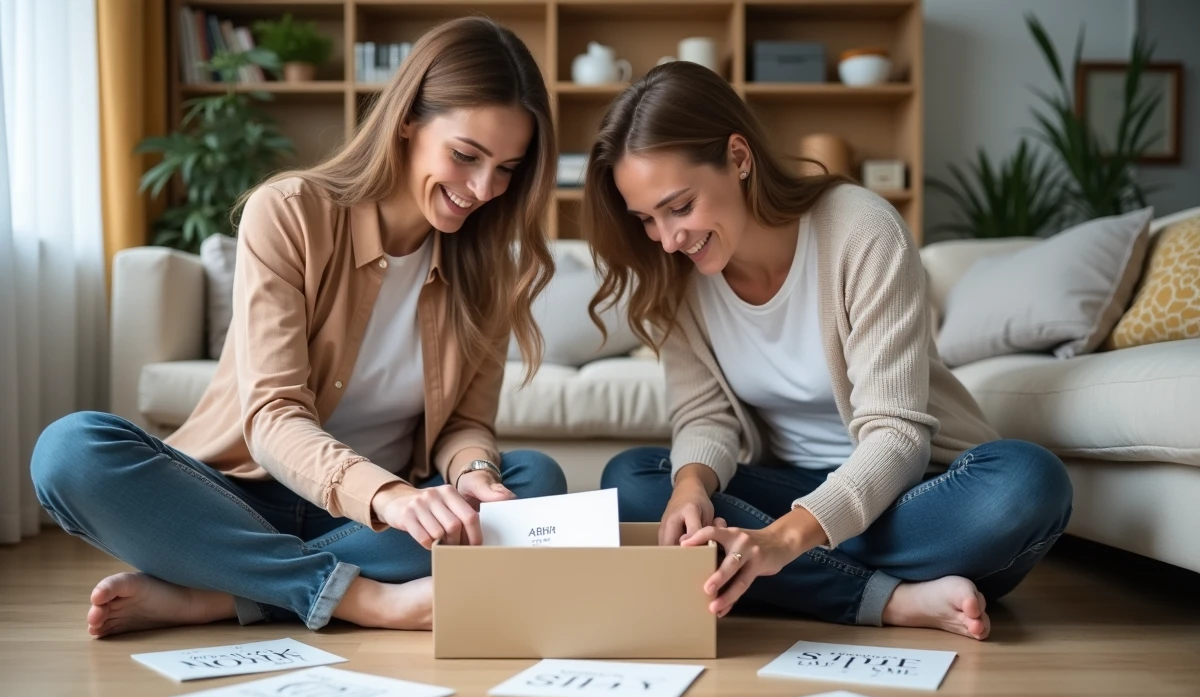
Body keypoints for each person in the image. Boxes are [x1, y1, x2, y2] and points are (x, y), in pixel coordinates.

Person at [31, 18, 567, 638]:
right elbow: (274, 417)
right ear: (406, 123)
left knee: (534, 483)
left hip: (374, 523)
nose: (482, 189)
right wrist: (390, 496)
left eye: (506, 169)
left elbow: (466, 426)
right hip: (248, 499)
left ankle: (226, 591)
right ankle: (366, 599)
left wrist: (474, 475)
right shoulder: (291, 212)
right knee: (70, 451)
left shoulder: (487, 271)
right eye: (466, 156)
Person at [585, 62, 1072, 640]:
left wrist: (780, 539)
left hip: (913, 493)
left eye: (680, 206)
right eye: (646, 219)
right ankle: (890, 599)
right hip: (786, 488)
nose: (668, 239)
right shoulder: (675, 278)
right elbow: (705, 418)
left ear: (739, 158)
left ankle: (802, 573)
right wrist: (691, 486)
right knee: (636, 482)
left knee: (1027, 484)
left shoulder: (860, 230)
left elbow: (896, 436)